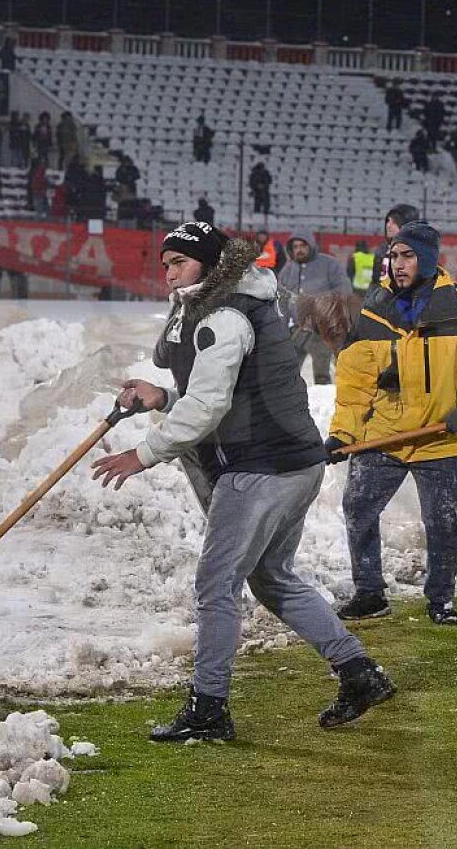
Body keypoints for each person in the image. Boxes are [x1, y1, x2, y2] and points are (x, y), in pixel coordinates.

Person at [90, 223, 395, 741]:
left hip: (261, 468)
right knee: (272, 578)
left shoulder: (225, 316)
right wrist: (162, 397)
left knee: (216, 585)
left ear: (207, 265)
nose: (168, 274)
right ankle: (358, 672)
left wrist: (144, 455)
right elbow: (220, 388)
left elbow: (210, 404)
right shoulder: (232, 303)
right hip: (293, 463)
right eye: (164, 264)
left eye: (179, 264)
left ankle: (209, 707)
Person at [328, 221, 457, 623]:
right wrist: (341, 433)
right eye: (393, 255)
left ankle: (441, 601)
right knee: (358, 508)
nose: (397, 264)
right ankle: (370, 593)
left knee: (445, 522)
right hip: (383, 437)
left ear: (429, 258)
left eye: (408, 256)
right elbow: (354, 382)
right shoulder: (375, 309)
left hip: (441, 439)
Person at [278, 231, 352, 384]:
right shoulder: (287, 269)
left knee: (322, 374)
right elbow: (281, 300)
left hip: (321, 331)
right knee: (287, 375)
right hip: (295, 330)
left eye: (303, 245)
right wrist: (282, 329)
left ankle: (322, 405)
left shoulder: (329, 264)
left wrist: (320, 303)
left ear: (311, 245)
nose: (299, 250)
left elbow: (344, 290)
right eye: (296, 246)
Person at [369, 203, 420, 290]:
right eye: (388, 221)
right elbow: (375, 281)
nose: (388, 225)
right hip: (383, 300)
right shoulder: (382, 250)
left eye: (394, 222)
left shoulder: (419, 252)